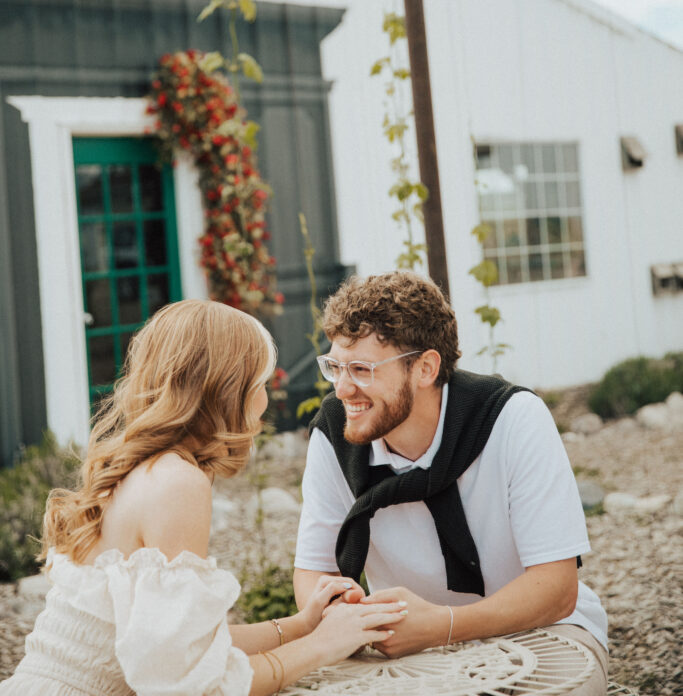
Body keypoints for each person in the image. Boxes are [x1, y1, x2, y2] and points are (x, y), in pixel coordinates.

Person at [0, 299, 405, 696]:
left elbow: (184, 648)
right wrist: (322, 646)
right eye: (260, 383)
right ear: (228, 389)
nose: (265, 399)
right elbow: (198, 685)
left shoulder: (147, 469)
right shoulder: (178, 483)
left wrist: (302, 624)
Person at [293, 271, 609, 696]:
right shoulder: (336, 433)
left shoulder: (512, 418)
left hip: (541, 632)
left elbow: (556, 589)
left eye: (362, 369)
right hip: (405, 649)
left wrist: (444, 626)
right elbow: (314, 571)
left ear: (425, 368)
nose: (343, 389)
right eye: (335, 367)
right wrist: (341, 614)